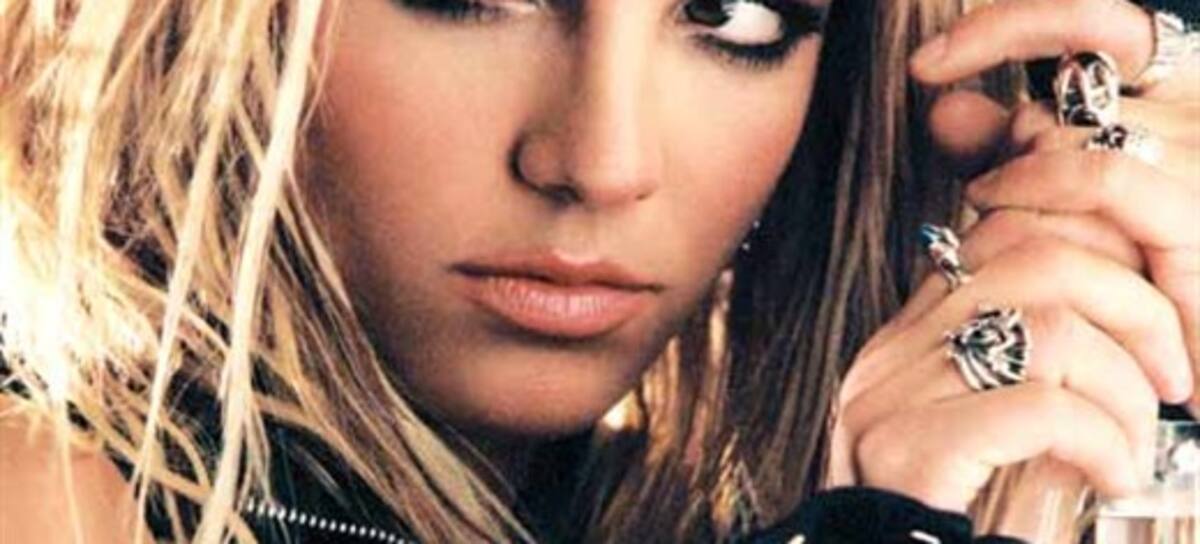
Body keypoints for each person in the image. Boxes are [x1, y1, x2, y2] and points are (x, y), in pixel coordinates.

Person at [0, 0, 1196, 542]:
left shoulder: (728, 500)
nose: (602, 162)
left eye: (733, 17)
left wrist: (1149, 381)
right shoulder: (50, 496)